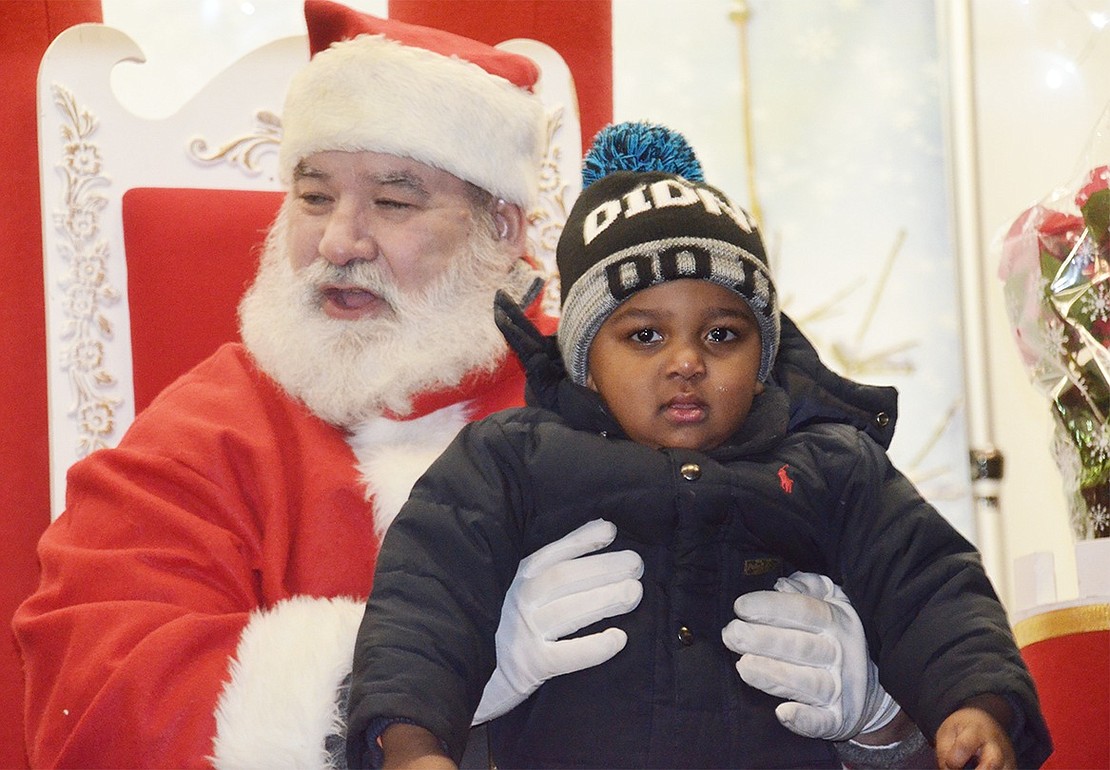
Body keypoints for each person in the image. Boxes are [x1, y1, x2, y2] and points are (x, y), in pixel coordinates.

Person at [15, 2, 922, 767]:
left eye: (395, 201)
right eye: (314, 195)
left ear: (501, 226)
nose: (339, 241)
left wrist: (879, 712)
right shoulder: (214, 426)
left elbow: (903, 589)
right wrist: (407, 677)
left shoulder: (646, 384)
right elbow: (90, 681)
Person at [345, 123, 1053, 770]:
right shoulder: (510, 458)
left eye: (722, 335)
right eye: (644, 335)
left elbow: (932, 588)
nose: (686, 362)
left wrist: (974, 706)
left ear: (764, 355)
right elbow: (425, 597)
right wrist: (411, 743)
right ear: (588, 359)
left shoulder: (832, 465)